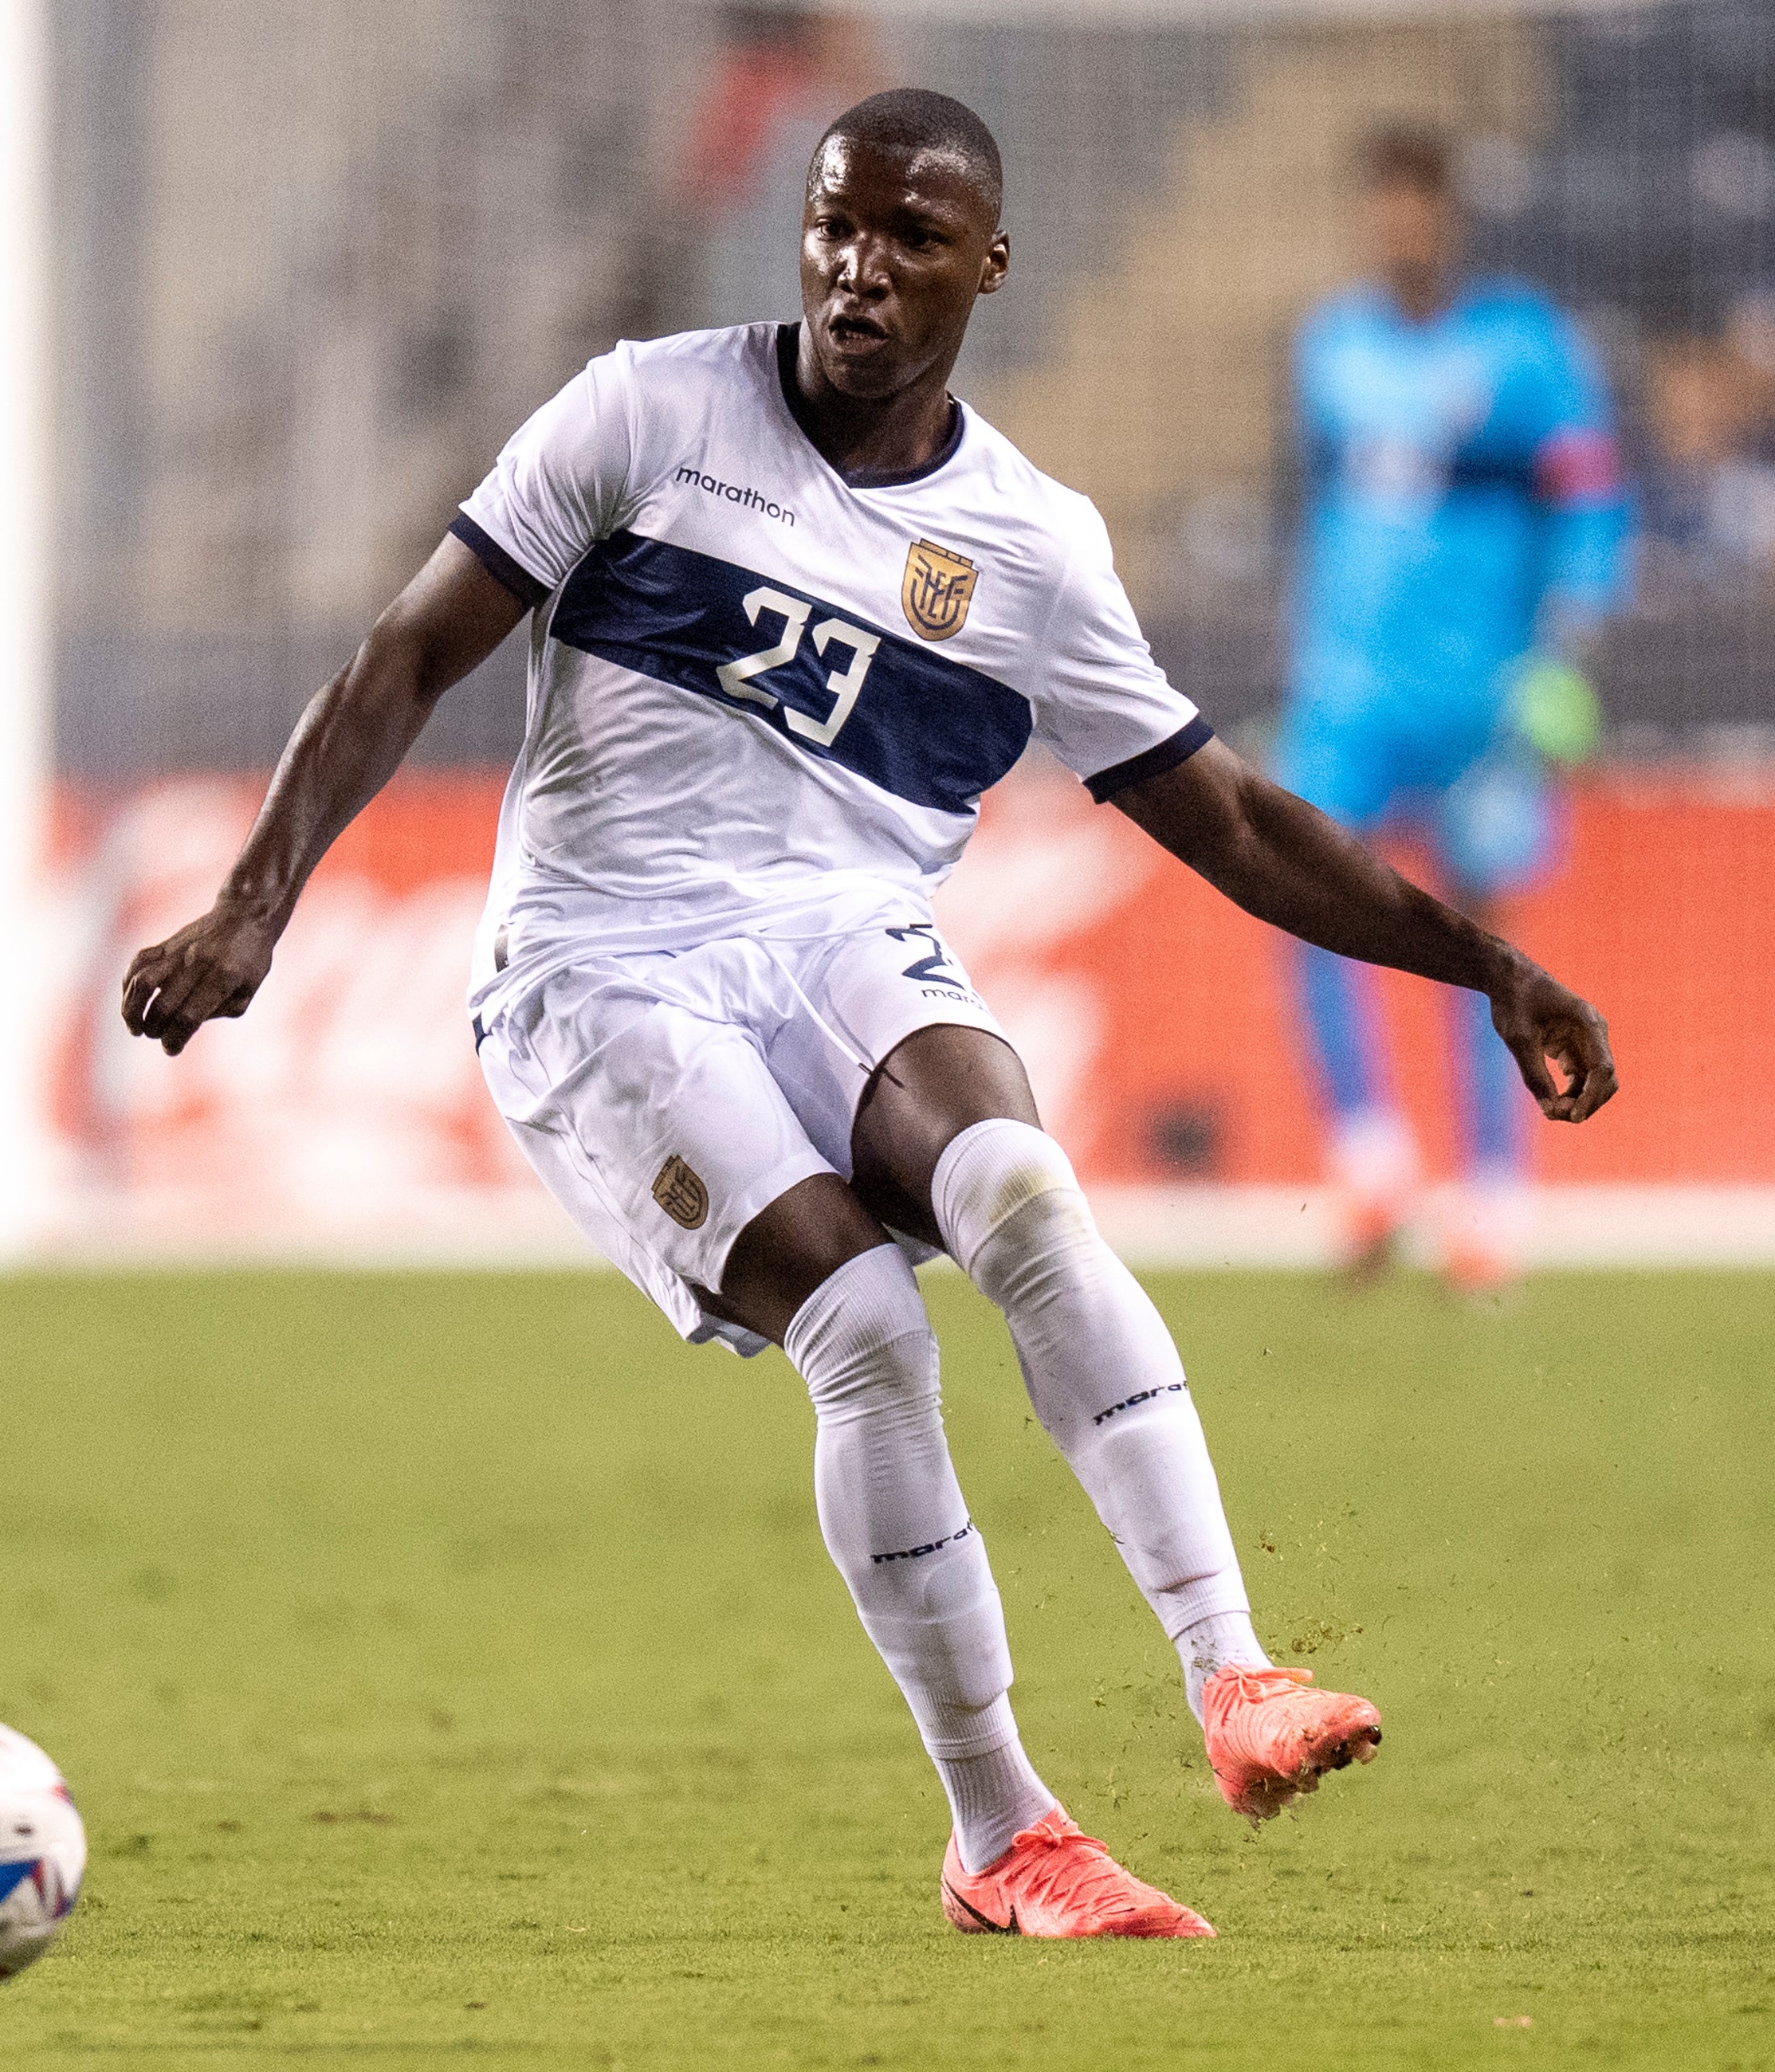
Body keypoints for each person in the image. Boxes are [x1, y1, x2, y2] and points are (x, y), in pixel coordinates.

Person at [123, 89, 1617, 1938]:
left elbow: (1223, 819)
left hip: (837, 937)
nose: (859, 265)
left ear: (984, 265)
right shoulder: (644, 412)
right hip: (601, 967)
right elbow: (406, 651)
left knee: (1019, 1196)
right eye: (836, 223)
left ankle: (1234, 1672)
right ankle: (1000, 1826)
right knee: (869, 1332)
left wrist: (1482, 960)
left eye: (911, 238)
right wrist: (257, 905)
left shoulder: (1034, 547)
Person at [1278, 127, 1629, 1291]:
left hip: (1483, 696)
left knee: (1483, 944)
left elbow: (1587, 498)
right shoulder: (1330, 348)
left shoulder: (1528, 350)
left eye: (1417, 204)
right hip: (1348, 692)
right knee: (1305, 897)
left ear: (1449, 216)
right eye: (1382, 204)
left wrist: (1565, 649)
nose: (1399, 226)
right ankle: (1372, 1159)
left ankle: (1492, 1194)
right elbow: (1324, 512)